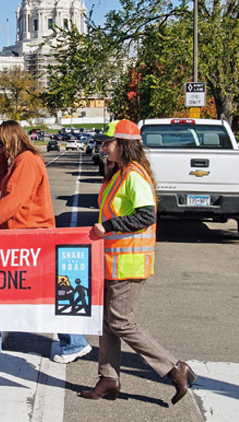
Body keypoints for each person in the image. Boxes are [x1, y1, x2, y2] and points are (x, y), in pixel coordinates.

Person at [80, 120, 196, 403]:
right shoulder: (118, 174)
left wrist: (109, 226)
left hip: (129, 263)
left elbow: (146, 215)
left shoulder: (134, 175)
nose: (103, 147)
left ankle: (174, 367)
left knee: (120, 321)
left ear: (124, 145)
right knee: (106, 321)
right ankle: (108, 378)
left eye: (108, 143)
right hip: (111, 261)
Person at [0, 121, 92, 364]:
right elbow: (0, 184)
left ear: (12, 138)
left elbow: (12, 201)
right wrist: (0, 157)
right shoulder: (20, 161)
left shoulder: (27, 162)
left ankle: (74, 342)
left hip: (31, 239)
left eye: (1, 143)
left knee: (42, 293)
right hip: (21, 238)